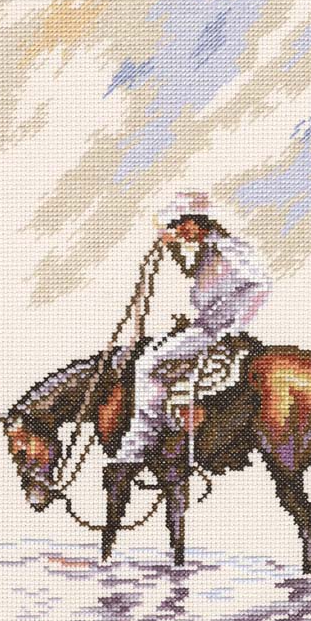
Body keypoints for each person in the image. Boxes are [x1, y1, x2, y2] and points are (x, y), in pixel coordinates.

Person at [112, 191, 270, 464]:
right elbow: (193, 272)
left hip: (214, 330)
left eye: (183, 222)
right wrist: (170, 243)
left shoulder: (228, 249)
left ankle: (138, 446)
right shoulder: (210, 250)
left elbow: (259, 285)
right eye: (176, 224)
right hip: (209, 326)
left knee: (147, 364)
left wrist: (230, 324)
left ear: (200, 220)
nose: (180, 229)